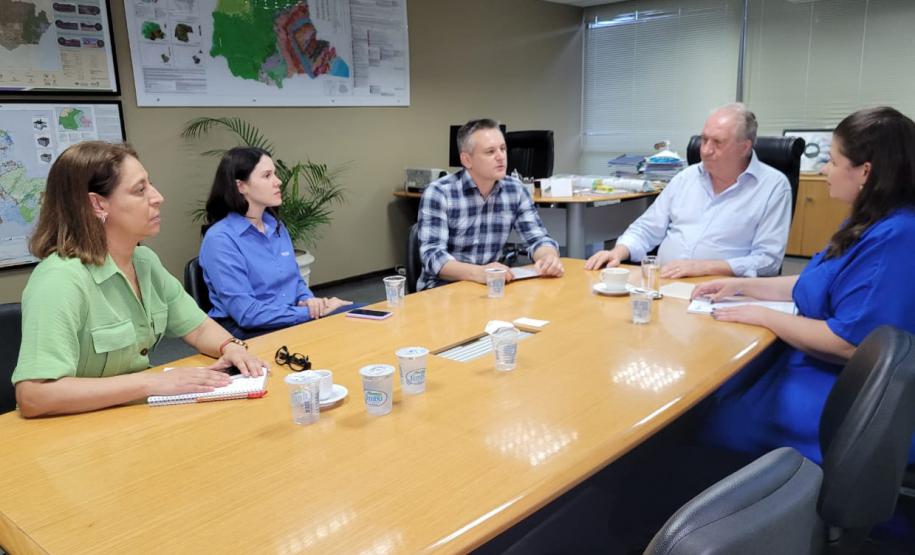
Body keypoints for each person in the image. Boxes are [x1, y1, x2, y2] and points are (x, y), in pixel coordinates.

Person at [691, 106, 915, 463]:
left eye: (832, 160)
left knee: (718, 413)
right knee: (718, 384)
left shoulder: (897, 238)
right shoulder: (872, 222)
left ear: (865, 172)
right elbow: (817, 282)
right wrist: (740, 286)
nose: (824, 170)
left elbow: (847, 343)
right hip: (812, 360)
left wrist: (764, 315)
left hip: (850, 392)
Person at [13, 141, 266, 418]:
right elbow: (34, 395)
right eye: (140, 190)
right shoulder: (59, 280)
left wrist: (230, 347)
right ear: (97, 204)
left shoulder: (144, 262)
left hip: (125, 417)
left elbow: (198, 328)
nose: (158, 197)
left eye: (150, 185)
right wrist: (152, 382)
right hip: (69, 434)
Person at [585, 103, 792, 279]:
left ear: (744, 147)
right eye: (704, 139)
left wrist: (703, 267)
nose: (705, 150)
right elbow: (647, 228)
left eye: (718, 142)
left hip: (722, 291)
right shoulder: (687, 177)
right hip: (663, 282)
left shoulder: (773, 187)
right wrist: (618, 252)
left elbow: (767, 260)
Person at [199, 147, 353, 339]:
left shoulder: (276, 227)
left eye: (275, 174)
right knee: (346, 320)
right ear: (241, 186)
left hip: (285, 319)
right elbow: (247, 314)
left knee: (356, 316)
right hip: (246, 332)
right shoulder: (220, 239)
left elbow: (295, 280)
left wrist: (307, 300)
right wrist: (313, 312)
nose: (278, 181)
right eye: (267, 175)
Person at [417, 118, 563, 290]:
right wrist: (479, 273)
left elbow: (538, 238)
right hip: (443, 289)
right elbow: (433, 257)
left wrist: (548, 257)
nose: (501, 156)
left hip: (492, 284)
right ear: (467, 160)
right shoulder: (439, 193)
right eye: (490, 152)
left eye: (503, 149)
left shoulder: (515, 190)